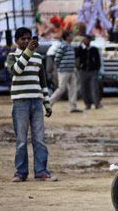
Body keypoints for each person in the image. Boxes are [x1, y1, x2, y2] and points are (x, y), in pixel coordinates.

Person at [6, 27, 57, 182]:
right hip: (20, 102)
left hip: (36, 102)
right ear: (16, 41)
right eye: (23, 39)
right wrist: (27, 52)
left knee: (39, 139)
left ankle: (41, 171)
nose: (27, 41)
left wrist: (47, 104)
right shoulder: (11, 56)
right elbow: (17, 71)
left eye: (29, 38)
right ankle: (21, 172)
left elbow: (43, 83)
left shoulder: (38, 58)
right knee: (21, 140)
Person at [50, 30, 82, 113]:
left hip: (71, 70)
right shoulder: (62, 46)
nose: (72, 36)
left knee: (73, 88)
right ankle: (49, 103)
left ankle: (73, 106)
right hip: (64, 71)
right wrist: (59, 68)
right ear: (67, 37)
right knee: (61, 88)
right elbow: (57, 59)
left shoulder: (70, 46)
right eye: (71, 35)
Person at [76, 34, 102, 109]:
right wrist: (80, 45)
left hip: (93, 71)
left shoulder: (94, 49)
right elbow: (76, 55)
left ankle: (97, 103)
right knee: (84, 88)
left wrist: (97, 69)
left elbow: (98, 61)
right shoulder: (81, 49)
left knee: (94, 87)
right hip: (83, 71)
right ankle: (87, 103)